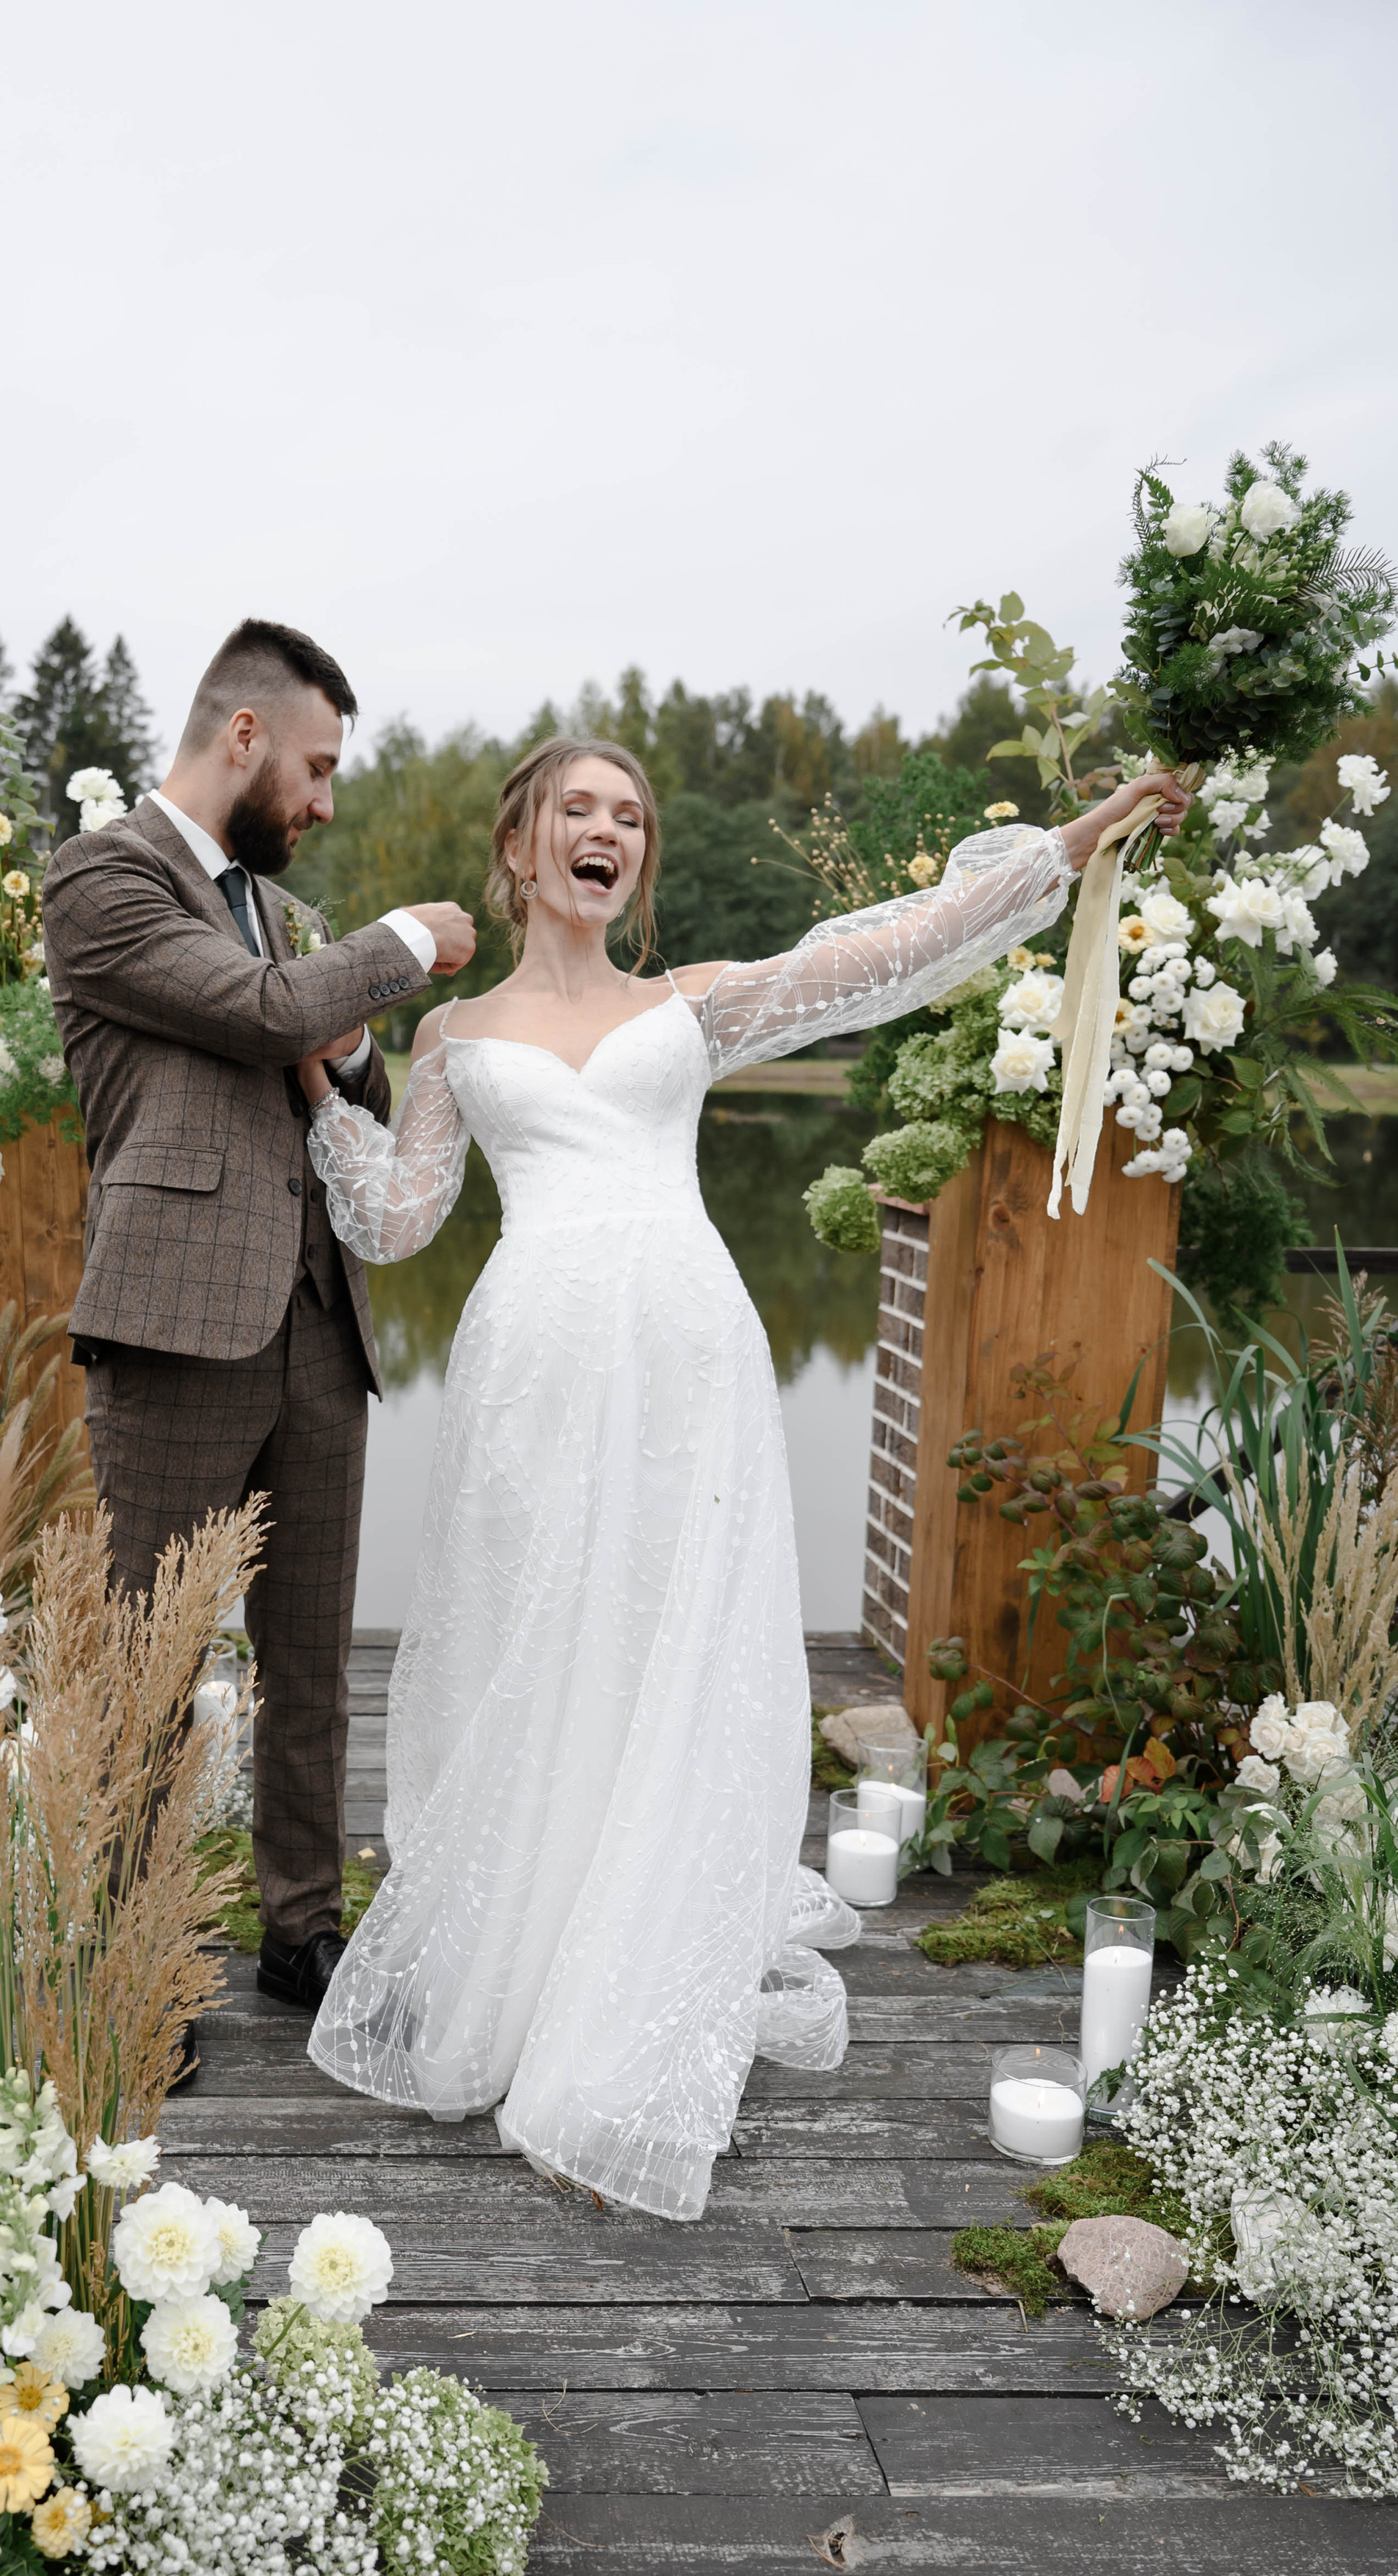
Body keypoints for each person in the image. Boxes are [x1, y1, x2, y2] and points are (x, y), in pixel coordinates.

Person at [296, 737, 1190, 2219]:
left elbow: (894, 947)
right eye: (577, 809)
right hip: (531, 1364)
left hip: (688, 1358)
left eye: (629, 815)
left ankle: (633, 1969)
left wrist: (1077, 838)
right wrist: (317, 1078)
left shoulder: (688, 1001)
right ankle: (529, 1953)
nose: (609, 831)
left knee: (671, 1642)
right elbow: (394, 1223)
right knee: (544, 1643)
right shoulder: (452, 1035)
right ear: (519, 847)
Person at [42, 619, 475, 2017]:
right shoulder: (104, 878)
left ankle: (302, 1931)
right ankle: (133, 1966)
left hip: (317, 1330)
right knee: (150, 1664)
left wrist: (353, 1050)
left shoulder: (284, 915)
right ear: (244, 737)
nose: (326, 800)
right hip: (176, 1329)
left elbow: (343, 1085)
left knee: (310, 1658)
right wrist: (405, 944)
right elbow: (261, 1011)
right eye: (317, 766)